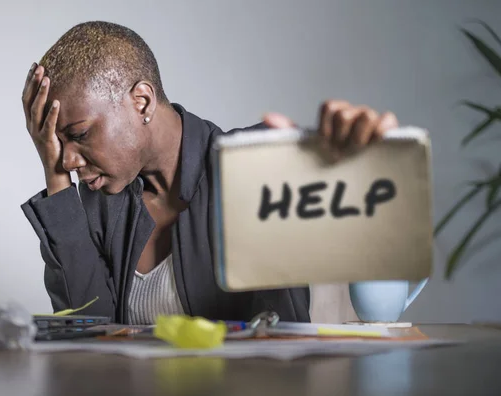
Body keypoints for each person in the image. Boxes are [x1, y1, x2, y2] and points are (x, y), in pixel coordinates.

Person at [20, 21, 399, 325]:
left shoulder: (255, 166)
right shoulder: (99, 200)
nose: (69, 160)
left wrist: (352, 161)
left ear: (142, 101)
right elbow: (88, 333)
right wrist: (55, 178)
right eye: (57, 144)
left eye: (80, 135)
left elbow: (288, 326)